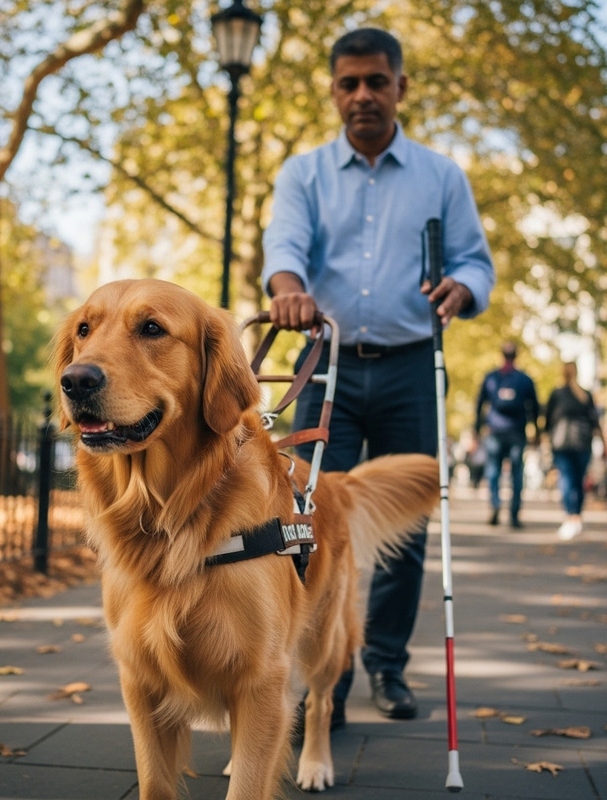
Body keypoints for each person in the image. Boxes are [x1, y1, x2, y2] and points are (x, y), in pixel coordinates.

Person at [261, 28, 494, 724]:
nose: (362, 94)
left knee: (406, 529)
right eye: (348, 83)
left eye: (376, 81)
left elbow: (477, 262)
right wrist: (288, 289)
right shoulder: (302, 173)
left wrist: (463, 288)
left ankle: (386, 668)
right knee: (300, 524)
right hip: (323, 366)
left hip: (409, 368)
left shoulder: (441, 175)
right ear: (334, 91)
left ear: (401, 87)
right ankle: (312, 677)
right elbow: (284, 247)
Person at [474, 342, 540, 528]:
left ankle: (495, 503)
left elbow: (479, 404)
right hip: (517, 431)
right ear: (516, 356)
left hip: (495, 430)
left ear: (501, 355)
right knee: (516, 473)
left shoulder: (491, 377)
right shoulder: (524, 379)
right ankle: (514, 513)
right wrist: (537, 431)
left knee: (493, 470)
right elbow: (534, 407)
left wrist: (477, 429)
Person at [545, 362, 606, 540]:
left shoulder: (557, 394)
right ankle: (576, 516)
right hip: (582, 443)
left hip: (562, 443)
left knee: (567, 479)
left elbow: (548, 421)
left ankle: (569, 515)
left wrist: (545, 437)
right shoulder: (584, 395)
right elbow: (594, 420)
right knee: (577, 481)